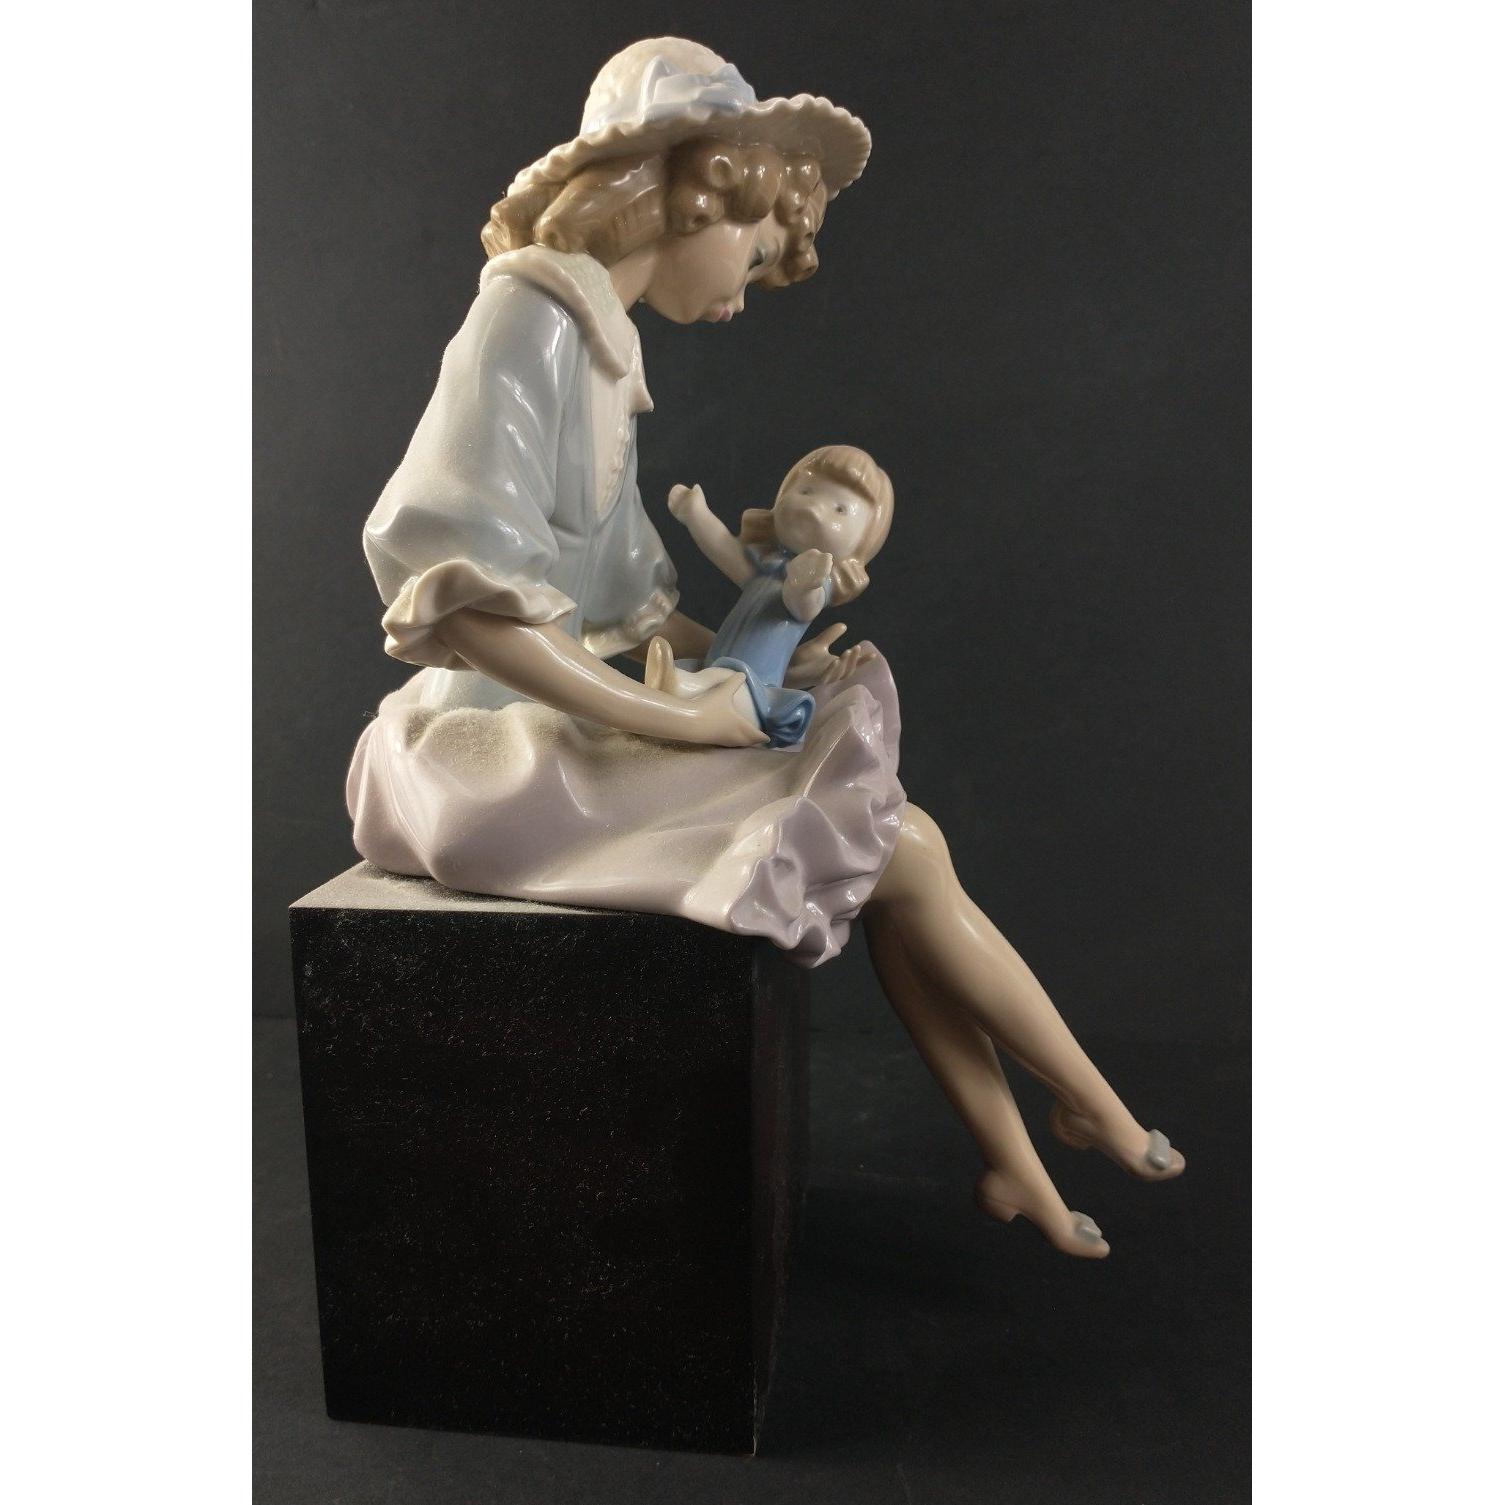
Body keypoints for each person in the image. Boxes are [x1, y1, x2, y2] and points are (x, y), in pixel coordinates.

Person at [350, 37, 1183, 1258]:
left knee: (900, 843)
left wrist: (750, 663)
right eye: (754, 249)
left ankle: (1027, 1148)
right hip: (485, 760)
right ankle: (1072, 1115)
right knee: (898, 843)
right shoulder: (528, 318)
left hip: (557, 728)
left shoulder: (595, 346)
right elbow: (467, 603)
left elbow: (627, 607)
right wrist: (680, 717)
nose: (752, 284)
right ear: (702, 192)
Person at [644, 444, 892, 747]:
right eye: (807, 491)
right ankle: (680, 687)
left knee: (723, 690)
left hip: (756, 685)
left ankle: (678, 686)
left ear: (859, 548)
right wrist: (696, 514)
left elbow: (802, 607)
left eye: (840, 509)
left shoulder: (818, 580)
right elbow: (724, 548)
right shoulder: (767, 568)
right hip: (716, 667)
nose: (813, 507)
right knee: (710, 680)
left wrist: (803, 585)